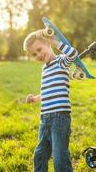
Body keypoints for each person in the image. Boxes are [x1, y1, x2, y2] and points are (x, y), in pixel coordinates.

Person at [23, 29, 78, 172]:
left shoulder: (61, 61)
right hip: (44, 119)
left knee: (60, 158)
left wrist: (54, 40)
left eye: (39, 49)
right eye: (34, 54)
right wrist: (36, 98)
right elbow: (47, 91)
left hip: (60, 118)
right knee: (40, 155)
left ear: (47, 44)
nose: (39, 55)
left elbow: (73, 54)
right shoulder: (44, 69)